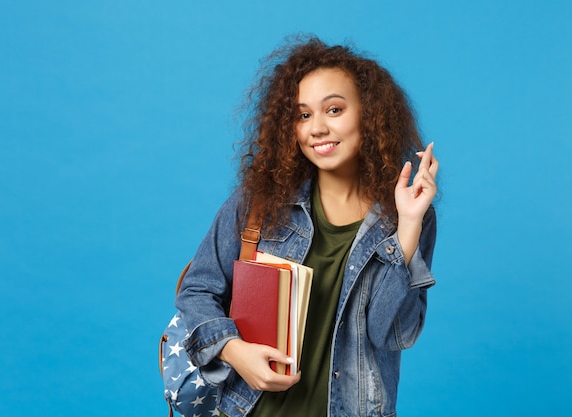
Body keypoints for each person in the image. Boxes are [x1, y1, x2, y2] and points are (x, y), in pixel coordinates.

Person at [175, 35, 439, 417]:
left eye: (334, 110)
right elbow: (197, 289)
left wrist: (409, 228)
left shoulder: (407, 214)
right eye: (302, 115)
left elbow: (389, 333)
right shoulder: (258, 202)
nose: (316, 128)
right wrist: (236, 351)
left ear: (370, 113)